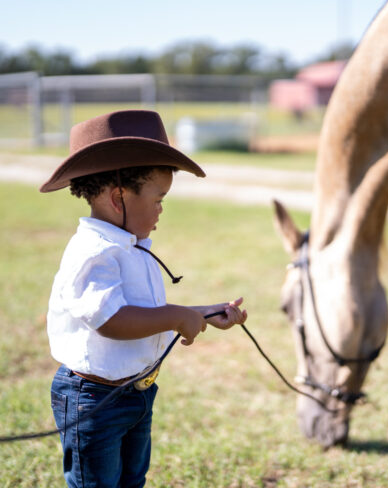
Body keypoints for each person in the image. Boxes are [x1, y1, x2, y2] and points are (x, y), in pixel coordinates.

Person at [39, 109, 247, 488]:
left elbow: (148, 314)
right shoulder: (94, 252)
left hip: (136, 392)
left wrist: (202, 313)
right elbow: (111, 320)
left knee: (132, 480)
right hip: (93, 400)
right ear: (118, 198)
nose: (161, 209)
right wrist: (176, 316)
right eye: (158, 198)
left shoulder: (132, 247)